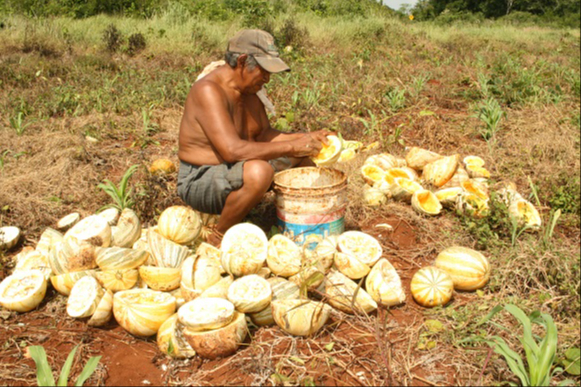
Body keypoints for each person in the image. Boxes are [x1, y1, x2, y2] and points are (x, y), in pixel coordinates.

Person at [177, 29, 331, 247]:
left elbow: (265, 134)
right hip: (200, 178)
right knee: (260, 172)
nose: (267, 79)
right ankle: (218, 236)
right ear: (241, 62)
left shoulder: (249, 92)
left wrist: (306, 138)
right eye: (263, 71)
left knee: (303, 159)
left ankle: (303, 224)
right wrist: (291, 147)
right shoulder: (208, 91)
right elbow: (232, 151)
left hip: (235, 169)